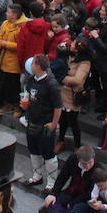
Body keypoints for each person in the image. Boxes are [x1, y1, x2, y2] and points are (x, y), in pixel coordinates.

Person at [21, 54, 62, 186]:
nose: (30, 65)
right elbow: (28, 96)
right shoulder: (32, 79)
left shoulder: (51, 84)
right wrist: (25, 104)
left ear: (38, 66)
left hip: (46, 125)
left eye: (32, 63)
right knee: (33, 150)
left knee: (48, 153)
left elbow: (58, 106)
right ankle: (37, 176)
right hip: (32, 121)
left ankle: (51, 183)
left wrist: (54, 124)